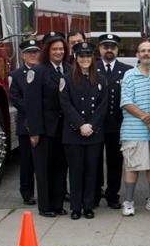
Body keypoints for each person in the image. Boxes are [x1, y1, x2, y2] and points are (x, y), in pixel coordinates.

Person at [59, 42, 108, 220]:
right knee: (76, 171)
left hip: (93, 134)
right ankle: (75, 207)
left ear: (93, 58)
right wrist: (81, 125)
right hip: (73, 133)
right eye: (81, 56)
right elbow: (65, 104)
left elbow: (103, 105)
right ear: (76, 58)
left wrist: (91, 126)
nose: (85, 59)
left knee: (91, 171)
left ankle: (88, 206)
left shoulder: (101, 79)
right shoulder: (67, 78)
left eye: (88, 56)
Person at [25, 31, 70, 217]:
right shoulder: (38, 71)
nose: (58, 52)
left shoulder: (69, 69)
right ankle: (45, 206)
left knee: (60, 168)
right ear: (48, 51)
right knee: (44, 169)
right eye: (55, 49)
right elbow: (32, 104)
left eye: (61, 49)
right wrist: (34, 131)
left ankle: (58, 204)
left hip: (65, 129)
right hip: (44, 129)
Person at [119, 41, 150, 216]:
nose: (146, 54)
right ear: (137, 54)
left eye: (149, 51)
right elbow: (126, 102)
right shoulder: (129, 75)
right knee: (132, 168)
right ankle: (128, 202)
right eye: (143, 51)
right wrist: (146, 118)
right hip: (133, 130)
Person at [95, 34, 132, 209]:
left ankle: (112, 195)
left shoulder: (127, 70)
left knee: (115, 162)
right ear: (100, 49)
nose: (109, 50)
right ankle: (95, 192)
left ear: (118, 49)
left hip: (117, 124)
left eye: (112, 47)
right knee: (94, 161)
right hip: (96, 124)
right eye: (105, 46)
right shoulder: (92, 67)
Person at [8, 38, 41, 206]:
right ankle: (27, 192)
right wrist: (34, 108)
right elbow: (15, 99)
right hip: (26, 124)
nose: (33, 55)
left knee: (44, 161)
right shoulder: (15, 76)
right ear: (23, 55)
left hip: (44, 124)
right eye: (29, 52)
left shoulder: (44, 72)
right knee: (27, 162)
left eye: (35, 52)